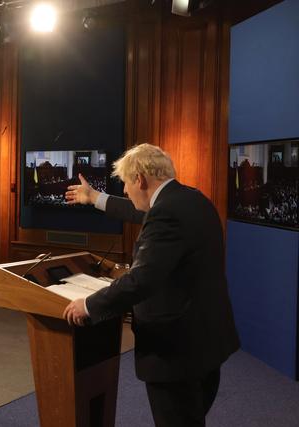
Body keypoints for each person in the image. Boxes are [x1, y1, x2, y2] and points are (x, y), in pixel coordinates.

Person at [63, 143, 240, 427]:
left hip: (174, 351)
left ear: (140, 179)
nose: (124, 191)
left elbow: (141, 280)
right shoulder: (192, 200)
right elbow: (139, 211)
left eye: (124, 183)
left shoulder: (166, 214)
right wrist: (94, 197)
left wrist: (89, 305)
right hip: (207, 340)